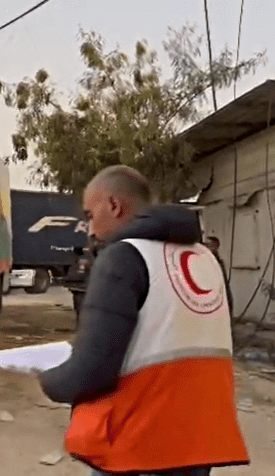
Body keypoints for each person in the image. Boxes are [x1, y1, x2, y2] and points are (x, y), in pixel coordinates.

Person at [38, 165, 249, 476]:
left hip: (140, 444)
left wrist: (47, 376)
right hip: (198, 442)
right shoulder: (207, 258)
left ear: (114, 205)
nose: (90, 230)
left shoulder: (122, 258)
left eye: (90, 215)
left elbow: (92, 370)